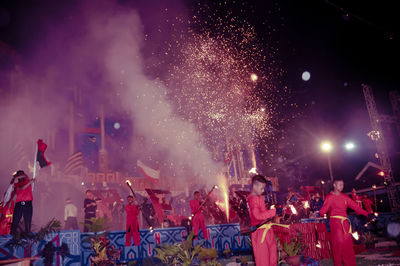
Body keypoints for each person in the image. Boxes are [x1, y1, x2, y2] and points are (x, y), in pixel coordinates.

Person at [319, 179, 369, 266]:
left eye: (343, 185)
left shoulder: (345, 197)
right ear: (334, 185)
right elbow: (323, 211)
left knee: (347, 245)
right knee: (338, 244)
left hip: (345, 223)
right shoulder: (330, 197)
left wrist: (367, 213)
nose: (342, 186)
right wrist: (320, 213)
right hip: (335, 223)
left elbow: (355, 206)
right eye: (340, 185)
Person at [247, 175, 277, 266]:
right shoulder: (252, 199)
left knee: (272, 259)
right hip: (260, 233)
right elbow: (257, 216)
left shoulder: (259, 197)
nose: (263, 190)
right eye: (262, 188)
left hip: (267, 230)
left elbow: (263, 213)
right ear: (255, 185)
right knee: (263, 260)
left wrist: (272, 211)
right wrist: (272, 212)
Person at [10, 170, 35, 236]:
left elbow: (27, 177)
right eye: (20, 174)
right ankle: (12, 235)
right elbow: (22, 188)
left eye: (22, 174)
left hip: (28, 203)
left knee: (27, 220)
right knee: (15, 221)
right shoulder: (16, 183)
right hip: (19, 204)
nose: (22, 176)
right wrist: (30, 182)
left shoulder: (27, 180)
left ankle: (27, 235)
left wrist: (30, 181)